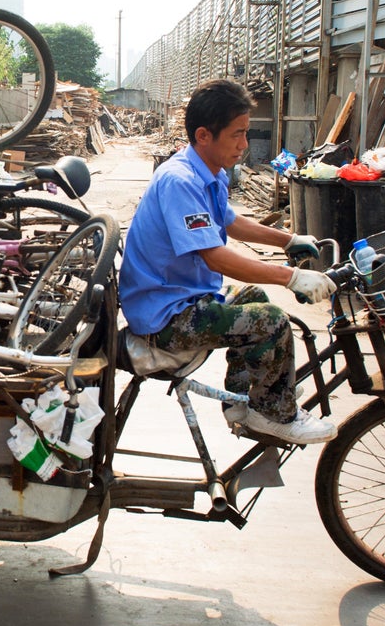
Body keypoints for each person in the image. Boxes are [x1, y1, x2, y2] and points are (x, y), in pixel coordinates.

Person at [119, 79, 338, 445]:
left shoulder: (211, 173)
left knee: (254, 298)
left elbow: (230, 222)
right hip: (165, 320)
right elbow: (215, 256)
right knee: (271, 322)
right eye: (236, 135)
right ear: (204, 135)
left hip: (183, 300)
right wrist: (290, 277)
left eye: (246, 133)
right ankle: (275, 413)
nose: (244, 145)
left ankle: (243, 403)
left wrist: (289, 239)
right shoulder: (180, 181)